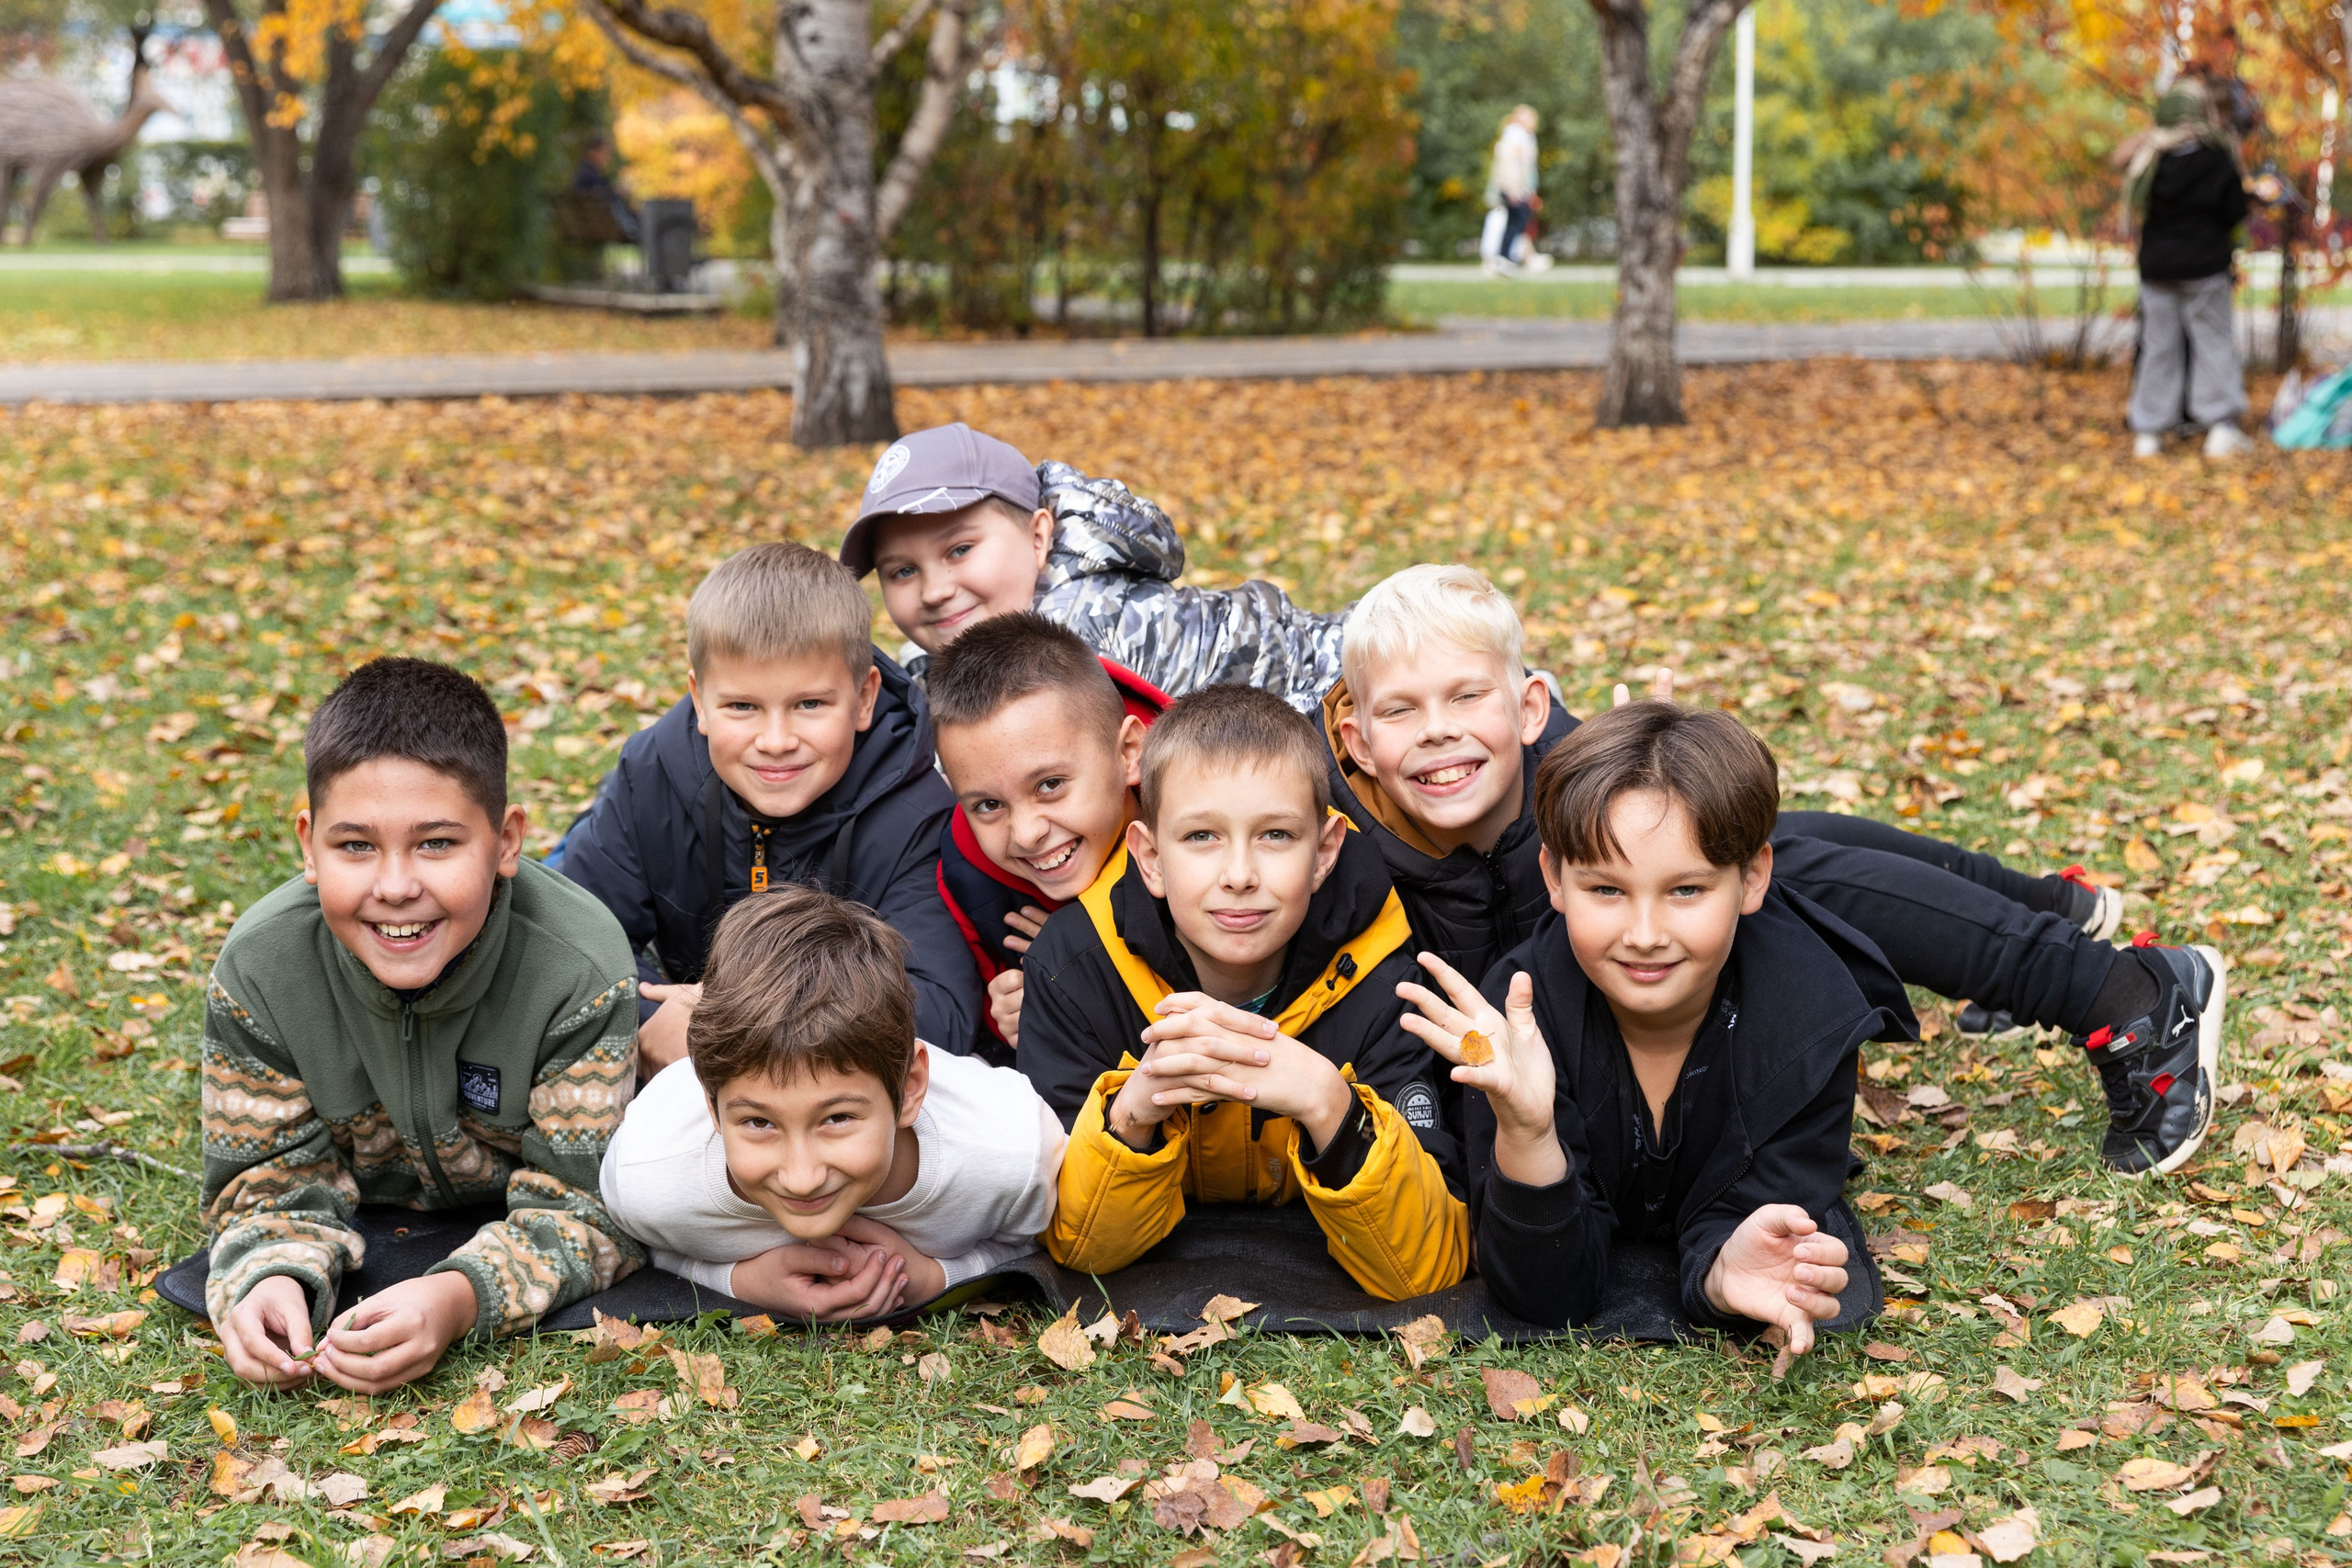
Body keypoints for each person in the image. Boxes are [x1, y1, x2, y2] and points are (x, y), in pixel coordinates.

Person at [1327, 565, 2225, 1178]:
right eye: (1404, 711)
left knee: (1761, 864)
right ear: (1356, 740)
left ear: (1526, 709)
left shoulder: (1572, 784)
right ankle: (2038, 905)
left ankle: (2126, 996)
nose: (1438, 729)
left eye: (1464, 699)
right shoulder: (1342, 847)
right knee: (1767, 852)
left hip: (1636, 972)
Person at [1405, 701, 1911, 1342]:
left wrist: (1724, 1265)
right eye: (1607, 890)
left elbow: (1758, 1207)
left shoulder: (1810, 1019)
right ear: (1555, 878)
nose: (1644, 935)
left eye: (1686, 890)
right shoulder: (1515, 1015)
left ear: (1752, 878)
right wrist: (1528, 1131)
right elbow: (1545, 1296)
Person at [203, 659, 643, 1393]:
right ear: (308, 844)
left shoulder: (580, 968)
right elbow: (263, 1183)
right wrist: (266, 1274)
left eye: (437, 843)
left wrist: (458, 1299)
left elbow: (592, 1213)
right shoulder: (262, 971)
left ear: (505, 841)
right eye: (356, 846)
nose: (397, 885)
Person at [1018, 684, 1466, 1301]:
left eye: (1276, 835)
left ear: (1325, 850)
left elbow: (1426, 1267)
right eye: (1201, 836)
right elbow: (1082, 1251)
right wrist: (1133, 1114)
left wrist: (1330, 1104)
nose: (1239, 875)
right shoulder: (1076, 969)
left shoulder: (1385, 969)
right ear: (1148, 856)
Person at [556, 541, 980, 1074]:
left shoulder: (917, 816)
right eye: (742, 706)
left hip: (840, 1098)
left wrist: (722, 1026)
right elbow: (572, 941)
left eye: (809, 704)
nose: (776, 741)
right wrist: (646, 1020)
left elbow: (942, 1015)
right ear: (699, 699)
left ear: (865, 698)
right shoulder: (651, 774)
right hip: (683, 1074)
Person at [600, 886, 1063, 1320]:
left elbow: (1046, 1243)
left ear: (910, 1088)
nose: (802, 1179)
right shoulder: (646, 1172)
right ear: (711, 1104)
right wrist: (740, 1281)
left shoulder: (1017, 1156)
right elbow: (647, 1246)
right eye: (759, 1123)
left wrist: (934, 1278)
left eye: (837, 1118)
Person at [838, 422, 1346, 715]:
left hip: (1337, 692)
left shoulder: (1082, 652)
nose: (934, 590)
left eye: (959, 550)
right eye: (902, 572)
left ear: (1039, 538)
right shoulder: (937, 659)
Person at [926, 614, 1164, 1056]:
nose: (1028, 833)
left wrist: (1084, 956)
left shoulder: (1215, 815)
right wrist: (1024, 1024)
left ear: (1130, 752)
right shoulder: (970, 876)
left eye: (1050, 785)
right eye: (989, 805)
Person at [2119, 74, 2253, 458]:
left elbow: (2137, 203)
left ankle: (2148, 432)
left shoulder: (2151, 158)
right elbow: (2234, 212)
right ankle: (2220, 428)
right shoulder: (2217, 156)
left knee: (2158, 347)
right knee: (2213, 344)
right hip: (2205, 267)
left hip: (2157, 267)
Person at [1485, 106, 1544, 276]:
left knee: (1517, 221)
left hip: (1520, 188)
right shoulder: (1516, 136)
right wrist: (1513, 189)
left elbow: (1528, 169)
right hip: (1514, 188)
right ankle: (1503, 258)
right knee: (1517, 220)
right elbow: (1511, 166)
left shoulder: (1525, 136)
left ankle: (1504, 258)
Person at [571, 134, 640, 244]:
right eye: (604, 152)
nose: (607, 157)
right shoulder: (590, 176)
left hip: (597, 224)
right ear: (592, 152)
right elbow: (602, 198)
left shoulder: (585, 173)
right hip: (608, 225)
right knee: (647, 224)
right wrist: (618, 193)